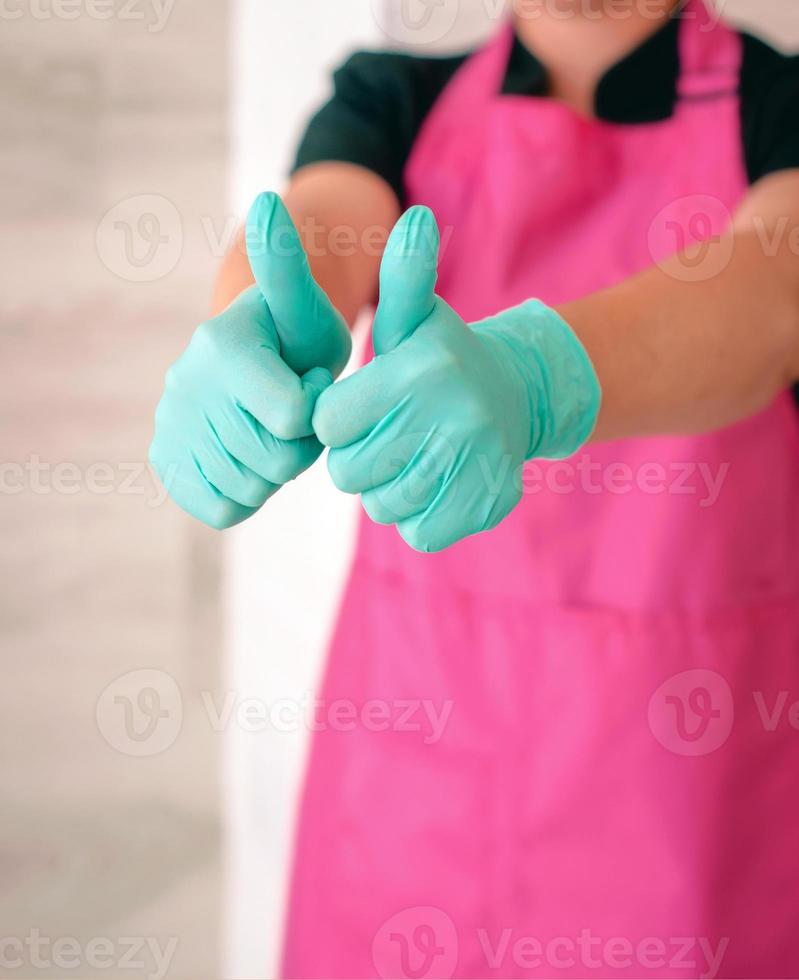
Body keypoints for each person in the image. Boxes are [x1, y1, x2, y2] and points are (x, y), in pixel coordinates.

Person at [150, 0, 799, 975]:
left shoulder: (778, 105)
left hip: (685, 811)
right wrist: (263, 322)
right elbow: (326, 220)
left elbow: (773, 285)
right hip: (411, 798)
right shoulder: (392, 95)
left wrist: (540, 378)